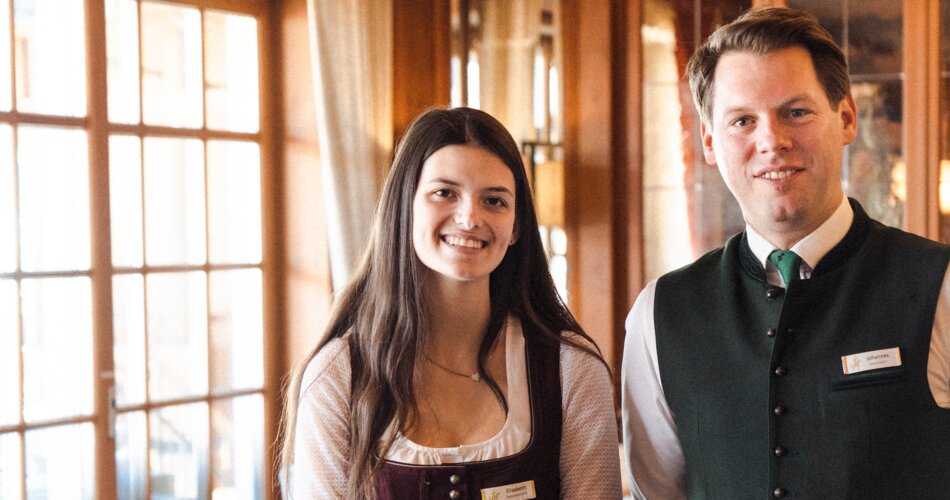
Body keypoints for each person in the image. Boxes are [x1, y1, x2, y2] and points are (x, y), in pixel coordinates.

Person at [621, 7, 950, 500]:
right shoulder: (659, 314)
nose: (771, 140)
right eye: (742, 121)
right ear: (710, 142)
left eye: (795, 112)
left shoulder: (939, 285)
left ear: (845, 118)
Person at [282, 107, 622, 499]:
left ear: (516, 228)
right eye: (445, 193)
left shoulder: (571, 370)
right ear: (404, 207)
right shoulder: (338, 376)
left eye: (494, 201)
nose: (468, 217)